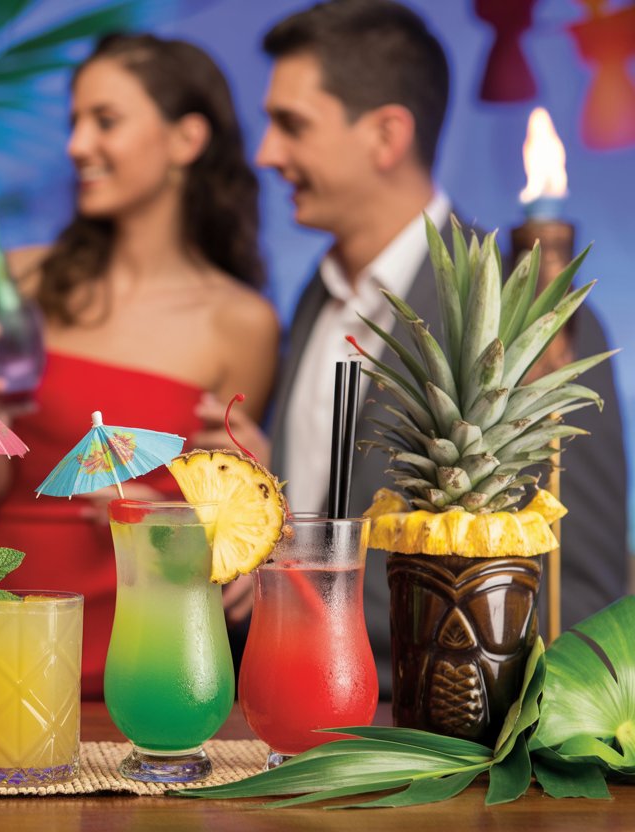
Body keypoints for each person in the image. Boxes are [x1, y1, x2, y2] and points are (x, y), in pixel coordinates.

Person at [255, 0, 629, 694]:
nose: (266, 152)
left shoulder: (526, 316)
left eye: (291, 125)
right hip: (289, 715)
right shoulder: (317, 292)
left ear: (386, 136)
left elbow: (585, 594)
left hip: (434, 738)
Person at [0, 34, 280, 699]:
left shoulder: (240, 321)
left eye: (104, 121)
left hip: (151, 629)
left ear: (185, 140)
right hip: (14, 615)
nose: (77, 145)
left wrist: (161, 511)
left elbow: (228, 512)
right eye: (74, 123)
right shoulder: (24, 278)